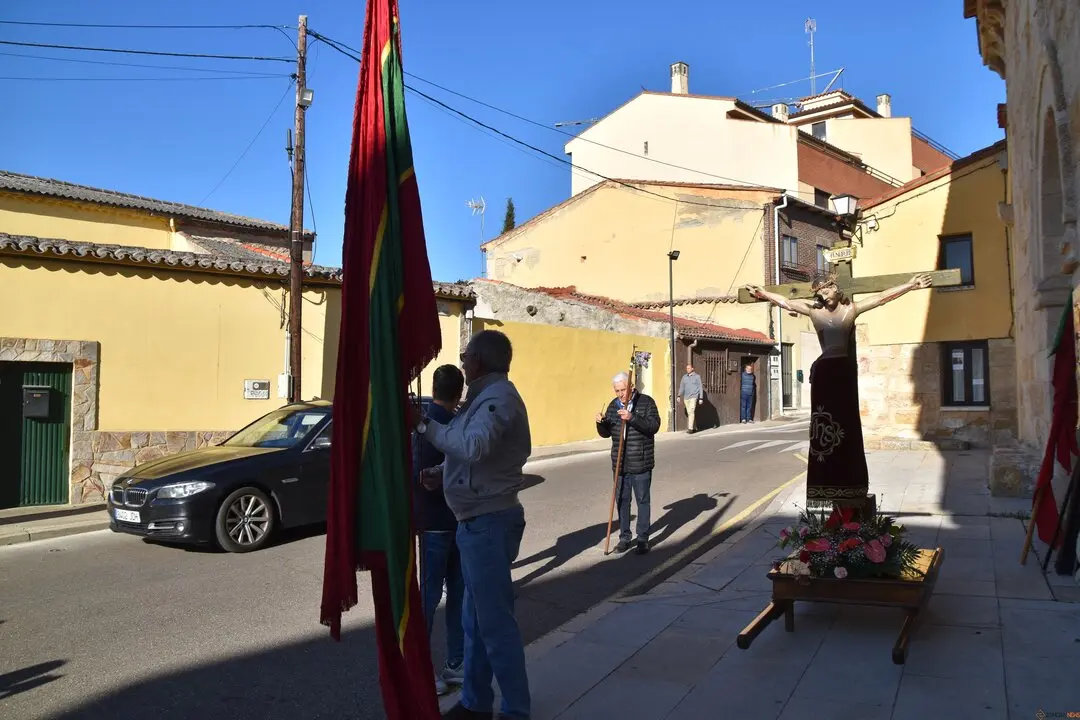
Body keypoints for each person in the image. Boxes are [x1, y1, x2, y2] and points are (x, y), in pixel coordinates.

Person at [413, 330, 532, 720]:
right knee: (475, 622)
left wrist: (423, 426)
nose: (462, 363)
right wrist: (441, 471)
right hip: (478, 521)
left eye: (466, 356)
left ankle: (515, 710)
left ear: (479, 361)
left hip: (489, 522)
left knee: (494, 625)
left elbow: (475, 445)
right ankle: (475, 701)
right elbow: (473, 454)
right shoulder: (482, 399)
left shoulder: (498, 399)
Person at [745, 272, 931, 509]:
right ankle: (826, 481)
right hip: (825, 372)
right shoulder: (814, 312)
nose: (823, 293)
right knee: (824, 424)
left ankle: (850, 479)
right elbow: (786, 302)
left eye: (826, 289)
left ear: (835, 287)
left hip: (844, 372)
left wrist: (910, 285)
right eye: (819, 291)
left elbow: (882, 297)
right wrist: (762, 293)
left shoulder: (851, 310)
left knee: (847, 424)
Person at [413, 365, 466, 696]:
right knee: (454, 596)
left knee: (431, 598)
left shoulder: (420, 425)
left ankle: (431, 667)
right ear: (458, 393)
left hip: (434, 522)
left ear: (434, 388)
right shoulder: (460, 424)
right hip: (453, 521)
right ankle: (454, 663)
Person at [595, 372, 662, 555]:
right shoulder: (613, 405)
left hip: (640, 460)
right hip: (620, 462)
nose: (620, 394)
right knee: (622, 501)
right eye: (617, 391)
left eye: (623, 390)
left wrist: (631, 417)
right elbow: (607, 432)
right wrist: (601, 423)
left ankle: (642, 538)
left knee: (642, 500)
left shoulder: (647, 402)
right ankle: (624, 538)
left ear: (631, 386)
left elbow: (653, 426)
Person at [677, 363, 703, 433]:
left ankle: (690, 429)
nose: (687, 369)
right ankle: (694, 427)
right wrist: (679, 395)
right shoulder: (684, 377)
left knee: (691, 411)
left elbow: (700, 387)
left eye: (689, 368)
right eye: (687, 368)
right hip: (686, 397)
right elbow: (681, 387)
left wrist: (701, 398)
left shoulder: (697, 377)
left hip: (693, 397)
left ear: (692, 369)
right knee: (690, 413)